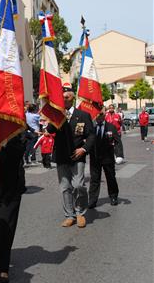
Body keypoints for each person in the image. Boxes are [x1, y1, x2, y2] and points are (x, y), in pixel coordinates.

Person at [46, 83, 95, 228]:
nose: (64, 100)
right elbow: (49, 129)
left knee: (79, 185)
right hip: (61, 155)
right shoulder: (58, 115)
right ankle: (69, 215)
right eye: (62, 98)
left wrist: (84, 149)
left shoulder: (83, 115)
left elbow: (91, 135)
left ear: (72, 99)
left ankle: (80, 212)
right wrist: (54, 115)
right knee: (65, 187)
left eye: (66, 98)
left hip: (77, 155)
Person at [0, 133, 26, 283]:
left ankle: (2, 268)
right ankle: (1, 252)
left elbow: (20, 150)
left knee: (6, 227)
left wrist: (4, 141)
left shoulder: (16, 128)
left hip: (11, 187)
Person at [88, 107, 120, 208]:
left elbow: (118, 141)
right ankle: (92, 200)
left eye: (101, 114)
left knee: (110, 178)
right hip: (95, 157)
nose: (99, 117)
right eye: (97, 114)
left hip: (108, 158)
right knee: (94, 179)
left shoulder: (111, 127)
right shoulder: (91, 127)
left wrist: (119, 155)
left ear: (104, 115)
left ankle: (113, 196)